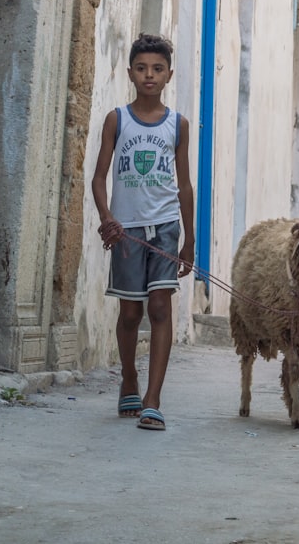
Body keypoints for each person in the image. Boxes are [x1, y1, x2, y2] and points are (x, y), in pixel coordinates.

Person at [91, 33, 195, 432]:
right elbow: (100, 177)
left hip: (166, 227)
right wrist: (106, 216)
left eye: (157, 69)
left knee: (160, 309)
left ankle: (153, 399)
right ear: (131, 72)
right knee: (131, 313)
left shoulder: (178, 124)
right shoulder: (117, 119)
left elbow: (184, 185)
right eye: (141, 68)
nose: (149, 75)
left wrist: (189, 240)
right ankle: (129, 378)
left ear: (169, 75)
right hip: (126, 231)